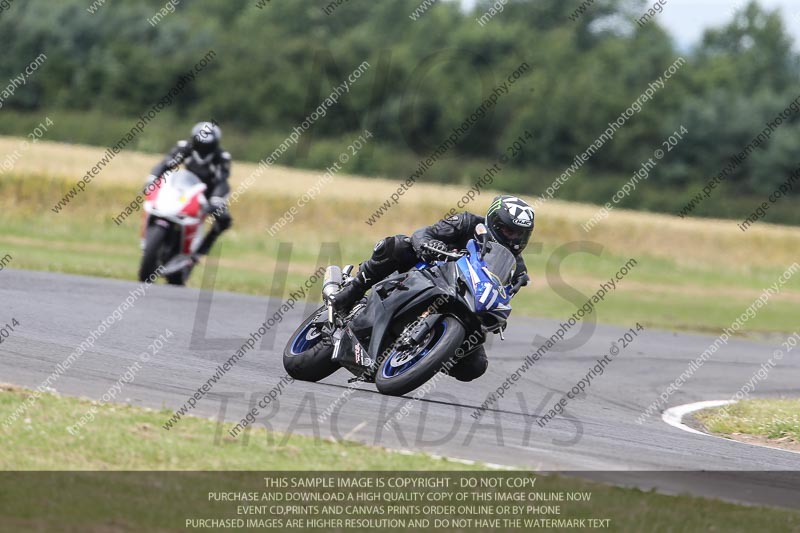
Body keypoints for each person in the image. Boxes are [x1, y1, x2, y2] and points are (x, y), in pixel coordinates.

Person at [330, 194, 534, 382]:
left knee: (475, 366)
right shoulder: (467, 222)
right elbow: (423, 233)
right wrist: (429, 245)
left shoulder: (517, 268)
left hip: (464, 300)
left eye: (520, 234)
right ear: (494, 222)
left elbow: (503, 295)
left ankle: (424, 356)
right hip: (426, 271)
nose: (513, 238)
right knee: (399, 244)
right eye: (509, 230)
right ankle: (350, 292)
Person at [146, 121, 232, 259]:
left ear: (214, 144)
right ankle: (153, 237)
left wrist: (216, 200)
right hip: (184, 187)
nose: (202, 149)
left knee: (224, 219)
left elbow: (222, 181)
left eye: (207, 146)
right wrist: (152, 179)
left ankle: (199, 251)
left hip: (209, 193)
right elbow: (166, 164)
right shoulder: (185, 148)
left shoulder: (221, 157)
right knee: (158, 202)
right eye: (200, 144)